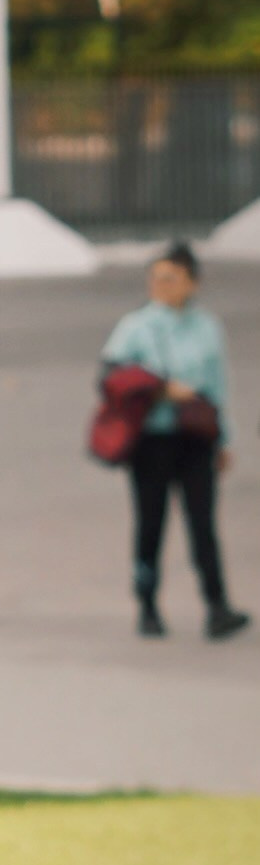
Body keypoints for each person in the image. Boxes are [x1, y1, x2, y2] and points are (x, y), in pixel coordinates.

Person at [99, 242, 247, 640]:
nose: (162, 286)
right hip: (151, 439)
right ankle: (147, 603)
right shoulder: (136, 326)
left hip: (195, 436)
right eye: (156, 278)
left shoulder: (207, 327)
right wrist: (160, 390)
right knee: (151, 522)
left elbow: (218, 384)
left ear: (191, 283)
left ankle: (217, 604)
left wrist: (224, 438)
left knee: (203, 523)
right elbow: (111, 377)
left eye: (171, 278)